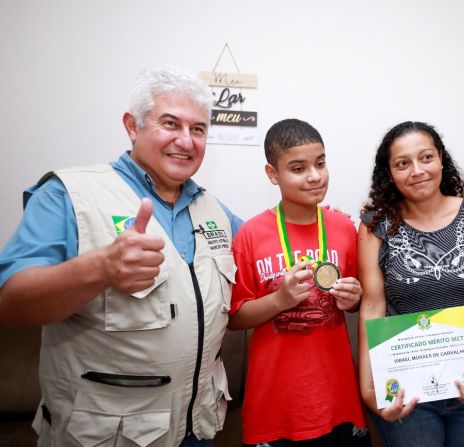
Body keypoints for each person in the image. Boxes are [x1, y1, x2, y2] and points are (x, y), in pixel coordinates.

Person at [0, 66, 243, 447]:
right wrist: (100, 268)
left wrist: (324, 226)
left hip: (199, 427)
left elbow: (266, 252)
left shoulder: (213, 208)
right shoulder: (67, 195)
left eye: (198, 129)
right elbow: (12, 304)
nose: (186, 140)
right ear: (132, 126)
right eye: (170, 123)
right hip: (110, 436)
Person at [357, 121, 464, 447]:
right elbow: (372, 306)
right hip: (407, 392)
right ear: (390, 172)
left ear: (441, 159)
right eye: (403, 163)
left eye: (426, 157)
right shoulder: (376, 225)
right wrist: (370, 390)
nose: (417, 170)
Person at [227, 119, 370, 447]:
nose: (315, 176)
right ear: (272, 174)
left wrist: (355, 299)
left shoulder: (344, 228)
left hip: (338, 401)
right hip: (274, 408)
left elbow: (364, 300)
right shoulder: (250, 234)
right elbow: (234, 318)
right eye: (298, 168)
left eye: (320, 163)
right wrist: (280, 299)